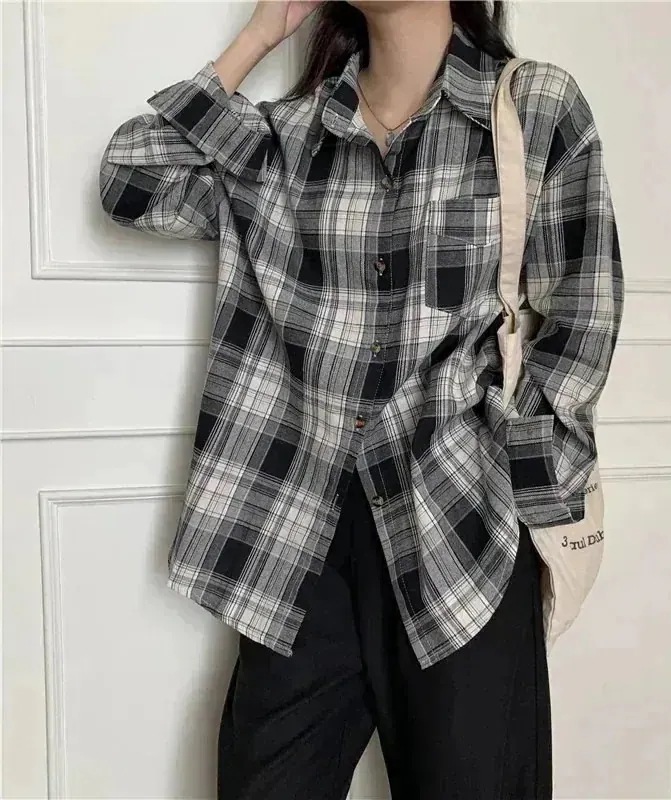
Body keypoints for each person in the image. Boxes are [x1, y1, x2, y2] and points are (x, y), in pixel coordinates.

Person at [99, 1, 624, 797]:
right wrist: (258, 36)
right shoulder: (286, 138)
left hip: (461, 530)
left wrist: (523, 492)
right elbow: (132, 182)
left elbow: (583, 313)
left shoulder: (531, 108)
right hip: (296, 536)